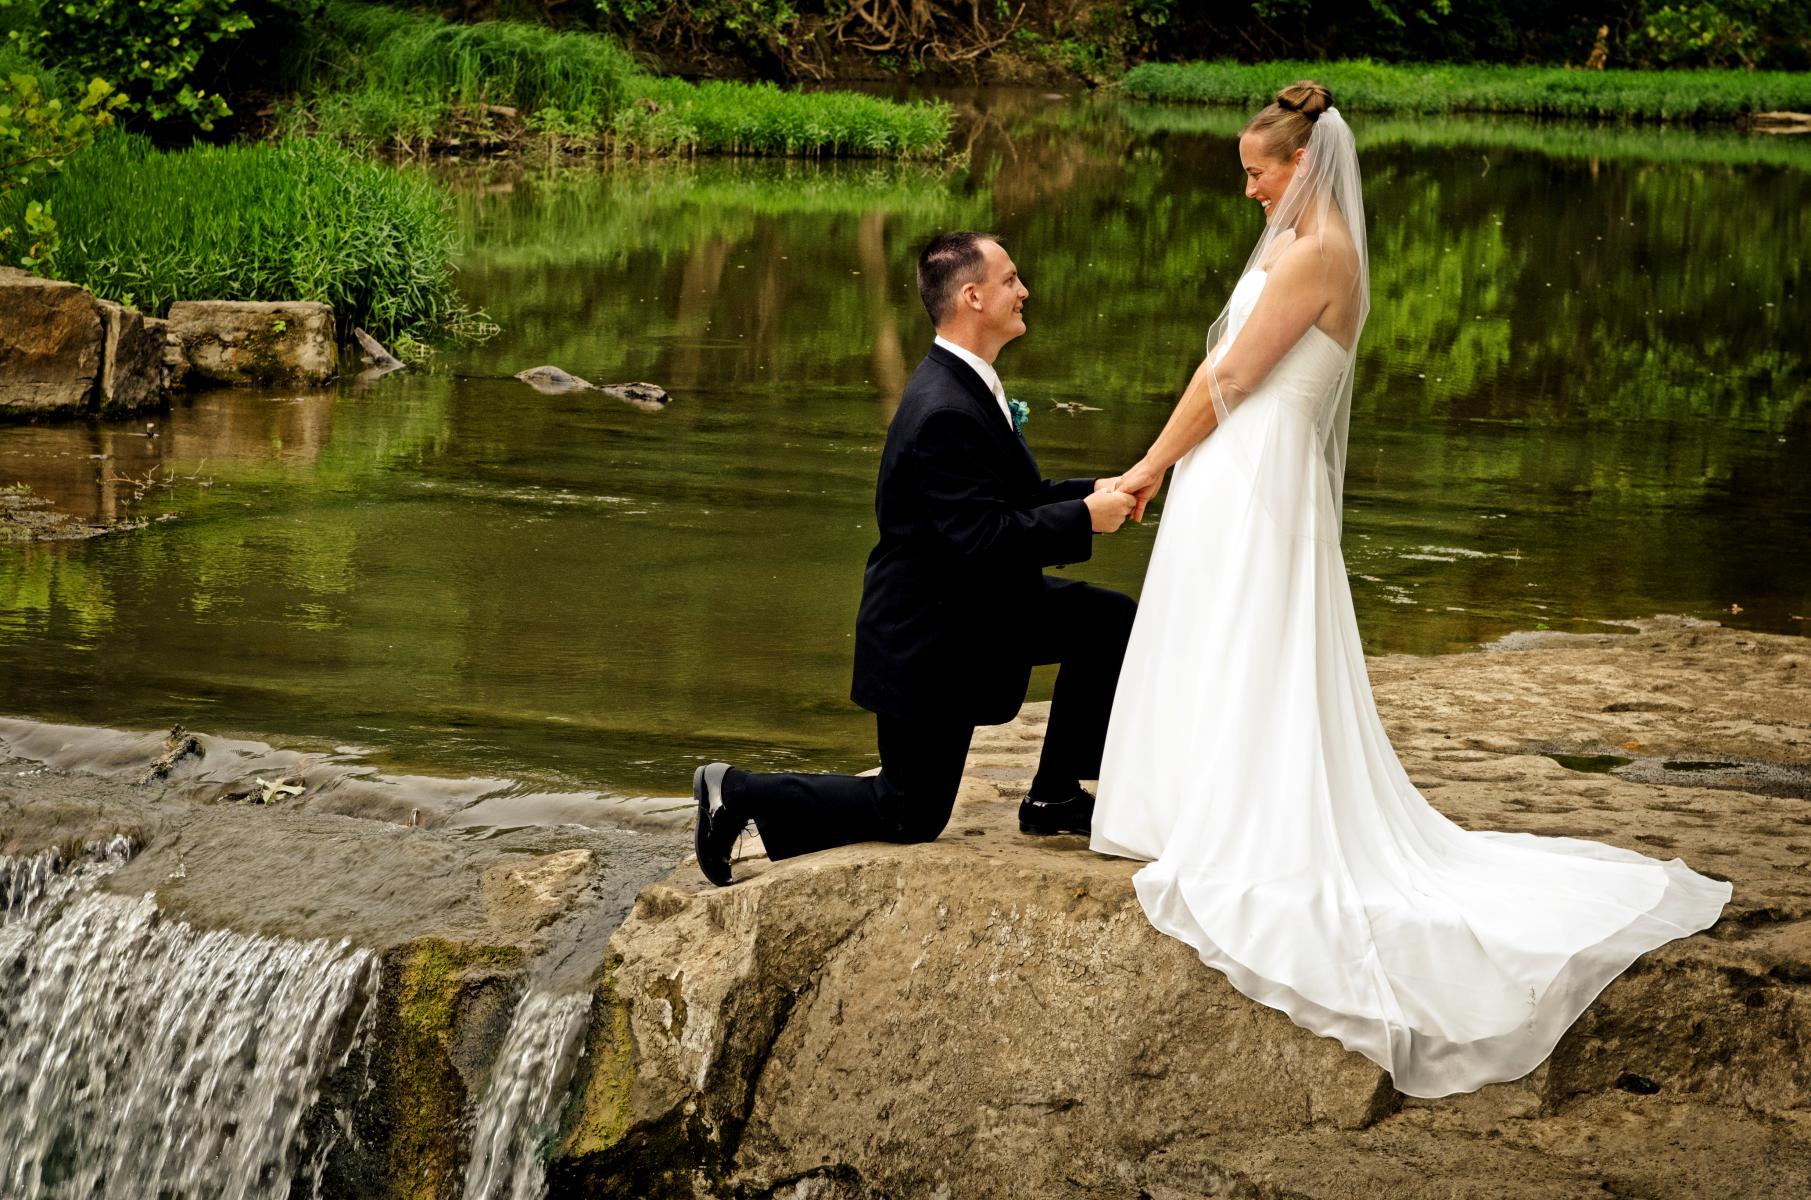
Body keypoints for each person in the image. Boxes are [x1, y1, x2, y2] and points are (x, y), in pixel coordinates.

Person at [1093, 81, 1731, 1099]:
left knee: (1251, 642)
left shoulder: (1313, 255)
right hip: (1250, 473)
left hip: (1255, 474)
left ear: (1300, 166)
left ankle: (1240, 819)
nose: (1248, 190)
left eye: (1257, 172)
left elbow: (1225, 381)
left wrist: (1143, 467)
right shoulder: (1304, 247)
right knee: (1229, 641)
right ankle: (1194, 801)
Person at [693, 231, 1139, 886]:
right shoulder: (943, 410)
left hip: (976, 608)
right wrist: (1081, 520)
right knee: (908, 812)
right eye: (1011, 279)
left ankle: (1054, 796)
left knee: (1107, 622)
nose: (1024, 291)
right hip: (928, 636)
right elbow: (981, 539)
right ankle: (738, 790)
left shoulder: (968, 385)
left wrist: (1090, 494)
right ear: (972, 296)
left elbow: (1009, 501)